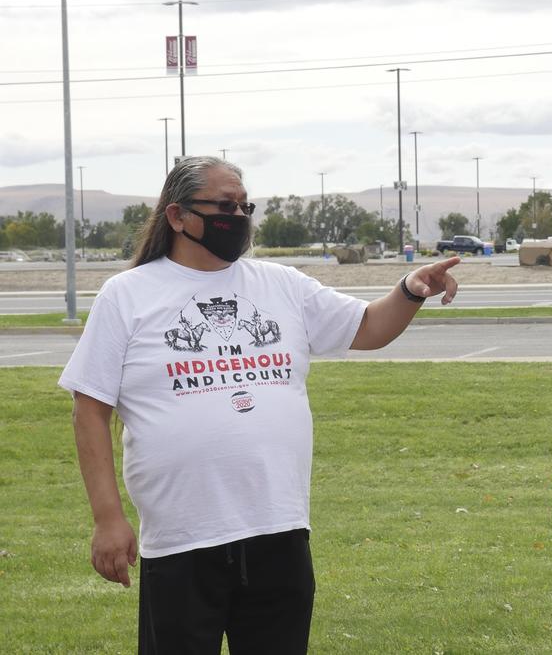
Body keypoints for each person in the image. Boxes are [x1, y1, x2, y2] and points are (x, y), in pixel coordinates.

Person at [59, 156, 460, 654]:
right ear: (178, 216)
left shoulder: (281, 285)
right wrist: (107, 519)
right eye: (223, 205)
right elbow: (89, 409)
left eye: (244, 205)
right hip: (184, 540)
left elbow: (369, 326)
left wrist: (409, 290)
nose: (239, 216)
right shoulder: (127, 295)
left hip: (279, 531)